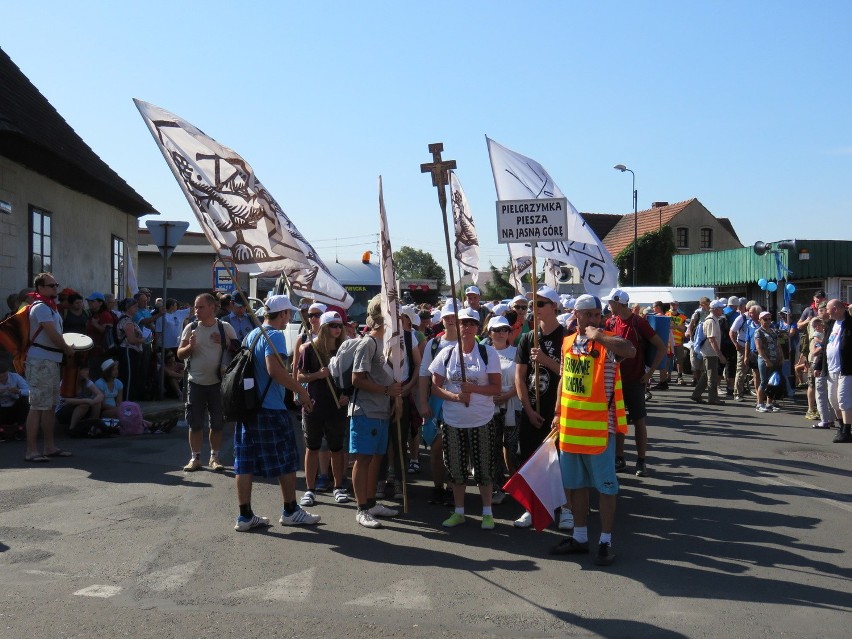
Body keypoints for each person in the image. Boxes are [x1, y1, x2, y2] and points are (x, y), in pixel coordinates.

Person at [549, 294, 635, 566]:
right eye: (588, 314)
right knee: (575, 487)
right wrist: (556, 413)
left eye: (597, 314)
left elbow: (629, 350)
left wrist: (599, 335)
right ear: (576, 315)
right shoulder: (567, 343)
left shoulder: (607, 341)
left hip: (600, 429)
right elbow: (564, 379)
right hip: (571, 428)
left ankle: (605, 541)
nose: (594, 319)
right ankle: (580, 537)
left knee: (606, 488)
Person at [233, 295, 321, 531]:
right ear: (281, 314)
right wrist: (301, 393)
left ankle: (244, 516)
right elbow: (275, 371)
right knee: (287, 459)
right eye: (288, 313)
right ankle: (291, 510)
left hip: (249, 408)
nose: (289, 317)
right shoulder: (275, 336)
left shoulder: (252, 334)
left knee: (245, 463)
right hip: (270, 408)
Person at [429, 307, 501, 529]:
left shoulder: (488, 353)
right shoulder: (447, 353)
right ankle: (459, 511)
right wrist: (455, 396)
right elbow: (434, 387)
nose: (467, 327)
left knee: (484, 468)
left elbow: (496, 388)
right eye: (463, 323)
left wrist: (473, 389)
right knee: (456, 468)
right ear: (457, 326)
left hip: (482, 419)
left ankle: (487, 512)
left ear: (478, 327)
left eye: (471, 323)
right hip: (453, 421)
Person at [514, 286, 568, 527]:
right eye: (532, 305)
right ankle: (532, 506)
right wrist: (527, 409)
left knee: (560, 461)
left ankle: (566, 509)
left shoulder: (567, 338)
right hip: (532, 409)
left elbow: (571, 375)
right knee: (531, 459)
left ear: (553, 306)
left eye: (540, 304)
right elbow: (520, 377)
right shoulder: (528, 337)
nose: (534, 309)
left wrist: (547, 362)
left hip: (558, 409)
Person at [349, 294, 403, 528]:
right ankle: (361, 509)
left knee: (375, 459)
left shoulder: (386, 342)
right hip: (365, 411)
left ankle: (371, 503)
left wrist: (394, 398)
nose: (398, 316)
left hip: (381, 411)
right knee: (363, 459)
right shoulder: (368, 342)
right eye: (393, 311)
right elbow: (356, 379)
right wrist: (386, 392)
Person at [604, 289, 666, 477]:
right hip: (615, 382)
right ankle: (620, 458)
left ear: (618, 303)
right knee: (618, 421)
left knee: (639, 421)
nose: (609, 306)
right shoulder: (610, 322)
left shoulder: (639, 322)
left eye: (611, 303)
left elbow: (661, 347)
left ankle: (641, 461)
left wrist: (649, 374)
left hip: (635, 380)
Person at [176, 293, 237, 473]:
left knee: (217, 423)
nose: (196, 310)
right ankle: (195, 458)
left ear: (212, 307)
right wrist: (190, 347)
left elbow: (239, 350)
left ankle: (214, 457)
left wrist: (224, 342)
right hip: (195, 382)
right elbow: (180, 354)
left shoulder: (224, 327)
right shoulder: (191, 328)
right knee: (195, 423)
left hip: (218, 383)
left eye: (200, 307)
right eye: (196, 307)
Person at [297, 310, 351, 506]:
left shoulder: (345, 350)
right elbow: (299, 376)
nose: (337, 329)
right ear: (324, 328)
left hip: (337, 407)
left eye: (340, 326)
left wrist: (347, 395)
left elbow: (351, 379)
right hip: (314, 405)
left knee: (337, 448)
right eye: (333, 326)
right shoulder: (310, 349)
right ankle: (310, 490)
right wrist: (317, 375)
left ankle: (338, 487)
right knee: (312, 448)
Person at [24, 272, 76, 462]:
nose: (56, 288)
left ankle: (49, 446)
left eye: (56, 285)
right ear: (40, 288)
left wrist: (63, 349)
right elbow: (53, 335)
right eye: (52, 285)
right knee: (37, 405)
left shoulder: (51, 308)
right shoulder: (40, 308)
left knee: (50, 406)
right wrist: (67, 349)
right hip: (40, 361)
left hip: (50, 360)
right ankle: (31, 450)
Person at [418, 301, 460, 506]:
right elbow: (424, 374)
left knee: (456, 448)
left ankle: (453, 488)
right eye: (447, 317)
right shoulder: (434, 344)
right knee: (436, 447)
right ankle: (438, 488)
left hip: (461, 404)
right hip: (436, 403)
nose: (451, 320)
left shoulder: (470, 342)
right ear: (441, 320)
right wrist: (423, 403)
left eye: (454, 316)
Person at [485, 315, 519, 504]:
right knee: (494, 448)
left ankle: (516, 485)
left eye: (504, 329)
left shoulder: (516, 352)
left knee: (513, 449)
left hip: (513, 405)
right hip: (489, 407)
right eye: (496, 330)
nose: (500, 333)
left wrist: (507, 395)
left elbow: (523, 380)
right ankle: (498, 487)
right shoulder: (483, 352)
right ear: (489, 332)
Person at [823, 299, 852, 443]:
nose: (826, 312)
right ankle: (841, 427)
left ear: (835, 309)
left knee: (843, 400)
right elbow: (825, 347)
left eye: (828, 309)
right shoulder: (831, 325)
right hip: (831, 369)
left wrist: (849, 309)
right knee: (833, 400)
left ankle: (847, 431)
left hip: (846, 369)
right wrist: (818, 367)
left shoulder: (849, 322)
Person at [691, 300, 728, 405]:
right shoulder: (711, 321)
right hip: (710, 352)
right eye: (720, 308)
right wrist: (720, 354)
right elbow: (711, 339)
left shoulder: (713, 319)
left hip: (709, 352)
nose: (722, 310)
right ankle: (713, 398)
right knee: (712, 376)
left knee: (706, 375)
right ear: (715, 309)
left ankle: (696, 395)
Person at [55, 364, 104, 430]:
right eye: (85, 370)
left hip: (78, 409)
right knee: (84, 404)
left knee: (97, 403)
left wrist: (93, 402)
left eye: (88, 370)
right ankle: (72, 429)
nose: (87, 372)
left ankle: (93, 426)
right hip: (62, 410)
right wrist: (86, 400)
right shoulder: (66, 381)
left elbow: (100, 395)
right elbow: (63, 400)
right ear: (78, 371)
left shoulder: (86, 381)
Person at [85, 292, 115, 369]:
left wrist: (96, 325)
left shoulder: (105, 315)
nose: (89, 303)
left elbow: (107, 332)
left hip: (102, 353)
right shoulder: (92, 314)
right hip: (92, 351)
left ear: (100, 303)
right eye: (88, 301)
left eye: (92, 301)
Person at [685, 297, 711, 385]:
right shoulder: (697, 313)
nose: (708, 306)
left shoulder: (710, 312)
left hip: (706, 339)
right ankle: (695, 378)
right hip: (696, 340)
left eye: (709, 304)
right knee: (695, 360)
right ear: (702, 304)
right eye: (707, 304)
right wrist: (691, 336)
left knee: (703, 361)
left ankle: (702, 380)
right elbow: (691, 325)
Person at [0, 361, 29, 440]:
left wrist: (19, 391)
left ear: (8, 372)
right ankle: (1, 431)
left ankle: (20, 429)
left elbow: (29, 390)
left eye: (4, 376)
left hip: (14, 408)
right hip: (2, 410)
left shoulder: (15, 377)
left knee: (25, 399)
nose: (2, 379)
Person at [666, 300, 689, 385]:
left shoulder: (682, 317)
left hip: (678, 340)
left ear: (677, 306)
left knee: (679, 359)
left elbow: (683, 328)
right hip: (668, 341)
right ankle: (668, 376)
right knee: (668, 359)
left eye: (675, 305)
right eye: (671, 305)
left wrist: (674, 326)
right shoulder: (666, 315)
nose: (673, 306)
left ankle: (679, 376)